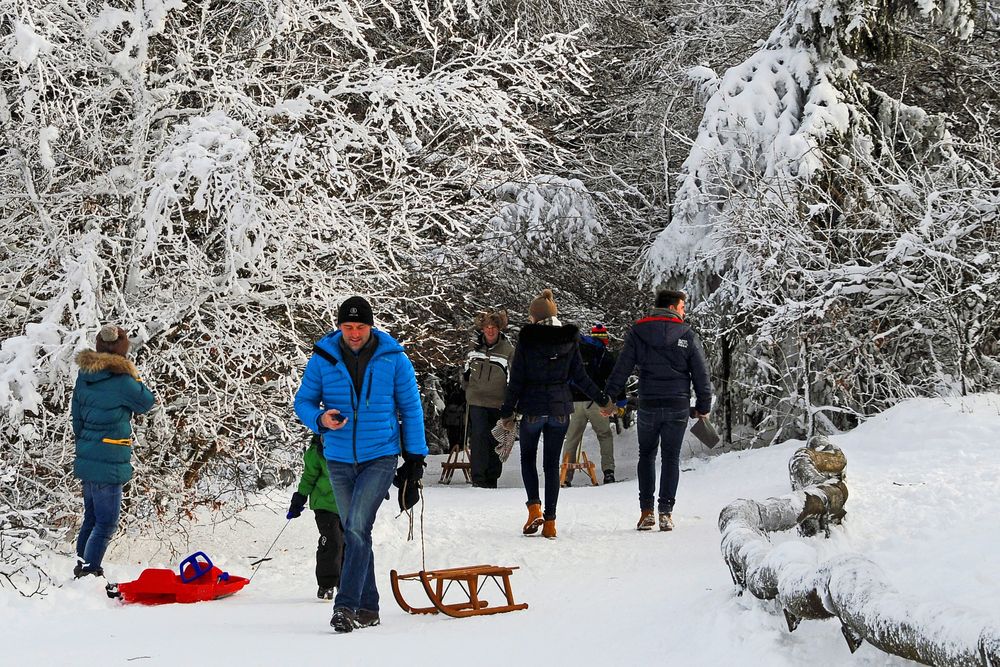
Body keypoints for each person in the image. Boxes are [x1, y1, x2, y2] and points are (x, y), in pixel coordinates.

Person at [294, 296, 428, 633]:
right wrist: (320, 418)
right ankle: (369, 607)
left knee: (354, 528)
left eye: (361, 326)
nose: (354, 333)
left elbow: (411, 409)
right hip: (337, 458)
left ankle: (346, 606)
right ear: (340, 326)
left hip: (380, 455)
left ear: (371, 326)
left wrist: (415, 460)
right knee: (357, 532)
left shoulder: (393, 358)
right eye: (348, 326)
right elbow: (303, 402)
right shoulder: (323, 357)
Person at [499, 289, 612, 540]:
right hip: (560, 410)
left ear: (535, 317)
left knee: (528, 459)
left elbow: (516, 381)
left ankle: (534, 509)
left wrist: (507, 411)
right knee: (551, 464)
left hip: (532, 409)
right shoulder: (569, 341)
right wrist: (603, 398)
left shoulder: (527, 341)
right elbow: (580, 377)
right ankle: (550, 522)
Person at [603, 290, 712, 532]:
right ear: (673, 308)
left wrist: (608, 398)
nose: (684, 312)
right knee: (671, 458)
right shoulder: (686, 334)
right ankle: (666, 513)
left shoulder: (638, 332)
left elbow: (622, 368)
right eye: (682, 307)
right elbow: (701, 373)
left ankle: (646, 512)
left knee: (647, 455)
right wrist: (703, 406)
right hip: (677, 405)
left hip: (649, 403)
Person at [71, 324, 156, 578]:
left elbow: (76, 418)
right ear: (122, 349)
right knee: (106, 522)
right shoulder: (121, 380)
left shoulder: (85, 374)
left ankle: (81, 569)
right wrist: (132, 372)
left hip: (89, 456)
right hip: (109, 459)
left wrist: (88, 444)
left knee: (91, 518)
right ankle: (90, 572)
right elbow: (146, 402)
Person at [561, 323, 622, 486]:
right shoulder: (603, 353)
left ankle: (565, 476)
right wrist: (619, 401)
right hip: (597, 401)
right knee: (604, 435)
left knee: (571, 439)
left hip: (573, 402)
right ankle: (608, 472)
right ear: (605, 339)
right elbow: (615, 377)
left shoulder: (573, 350)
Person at [287, 434, 344, 600]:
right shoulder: (317, 452)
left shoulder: (351, 448)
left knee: (349, 543)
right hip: (325, 505)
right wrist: (300, 497)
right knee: (332, 541)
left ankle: (346, 583)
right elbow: (309, 476)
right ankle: (326, 584)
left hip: (348, 505)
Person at [463, 309, 515, 488]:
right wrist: (466, 387)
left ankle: (492, 477)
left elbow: (513, 377)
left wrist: (510, 402)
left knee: (495, 438)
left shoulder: (508, 350)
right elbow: (464, 372)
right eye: (487, 327)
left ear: (499, 329)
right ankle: (478, 478)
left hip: (498, 402)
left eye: (494, 327)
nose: (490, 330)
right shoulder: (473, 348)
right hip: (476, 400)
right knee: (478, 438)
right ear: (482, 329)